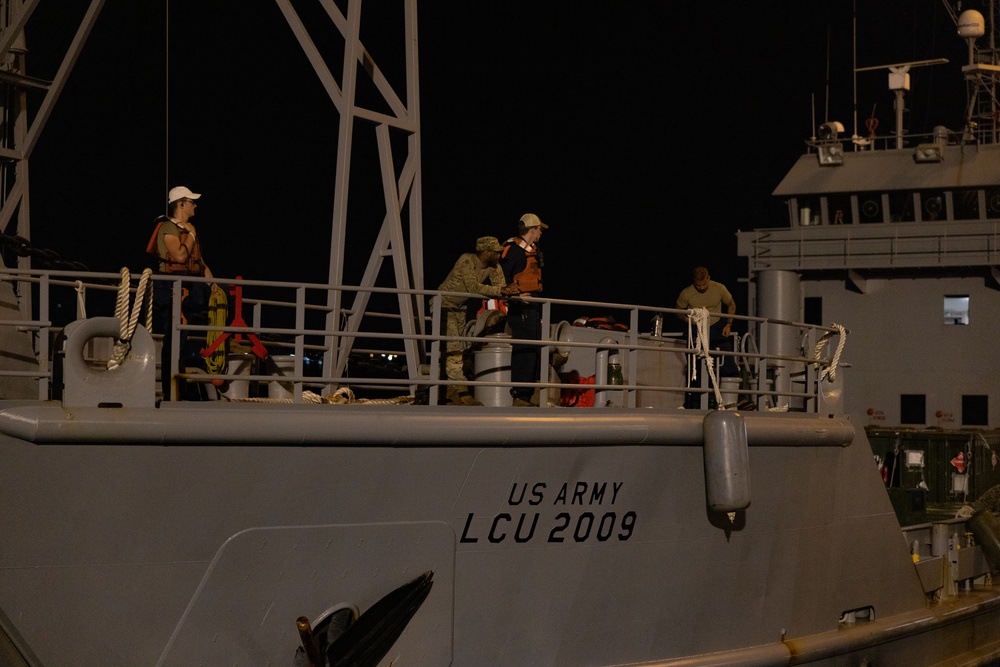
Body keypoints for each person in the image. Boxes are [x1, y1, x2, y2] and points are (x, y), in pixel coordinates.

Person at [149, 185, 218, 400]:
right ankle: (173, 393)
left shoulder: (188, 230)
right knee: (174, 339)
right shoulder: (168, 228)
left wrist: (214, 286)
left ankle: (178, 389)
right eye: (191, 202)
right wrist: (191, 234)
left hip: (189, 290)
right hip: (172, 289)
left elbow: (199, 263)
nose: (195, 205)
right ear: (180, 204)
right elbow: (179, 256)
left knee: (182, 340)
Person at [437, 236, 519, 405]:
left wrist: (512, 294)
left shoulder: (494, 266)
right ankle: (459, 393)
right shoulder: (466, 260)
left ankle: (450, 390)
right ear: (485, 252)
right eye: (496, 252)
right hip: (444, 305)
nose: (499, 254)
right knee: (453, 348)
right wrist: (501, 290)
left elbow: (501, 288)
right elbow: (473, 287)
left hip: (460, 308)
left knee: (458, 349)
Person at [500, 213, 547, 407]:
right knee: (524, 350)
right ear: (532, 229)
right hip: (521, 308)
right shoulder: (515, 252)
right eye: (539, 229)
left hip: (532, 307)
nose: (541, 233)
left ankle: (526, 395)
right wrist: (516, 297)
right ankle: (520, 396)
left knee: (532, 350)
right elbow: (501, 279)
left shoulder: (530, 251)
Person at [675, 266, 737, 407]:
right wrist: (687, 319)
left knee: (729, 366)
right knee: (694, 371)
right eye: (699, 285)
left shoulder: (719, 288)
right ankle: (693, 405)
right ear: (693, 281)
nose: (702, 287)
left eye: (704, 284)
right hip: (696, 331)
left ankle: (730, 403)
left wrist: (729, 324)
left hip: (716, 329)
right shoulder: (686, 293)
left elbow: (731, 304)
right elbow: (678, 311)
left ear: (709, 278)